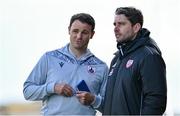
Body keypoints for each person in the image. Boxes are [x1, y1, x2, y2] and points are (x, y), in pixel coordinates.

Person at [23, 13, 108, 115]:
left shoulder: (101, 67)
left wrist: (94, 100)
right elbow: (27, 92)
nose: (79, 36)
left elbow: (109, 107)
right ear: (69, 30)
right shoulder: (49, 58)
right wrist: (53, 87)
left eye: (84, 32)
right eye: (75, 31)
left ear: (92, 34)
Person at [102, 7, 167, 115]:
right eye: (115, 24)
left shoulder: (149, 56)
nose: (116, 28)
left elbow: (155, 100)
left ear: (136, 27)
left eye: (121, 24)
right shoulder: (116, 59)